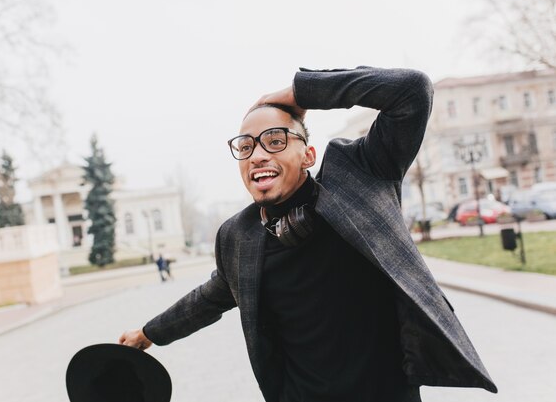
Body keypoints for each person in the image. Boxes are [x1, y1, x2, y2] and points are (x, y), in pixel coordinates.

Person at [120, 66, 497, 401]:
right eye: (247, 146)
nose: (258, 155)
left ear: (308, 155)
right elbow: (210, 298)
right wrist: (149, 332)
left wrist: (299, 93)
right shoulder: (239, 236)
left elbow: (411, 90)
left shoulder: (361, 178)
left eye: (276, 140)